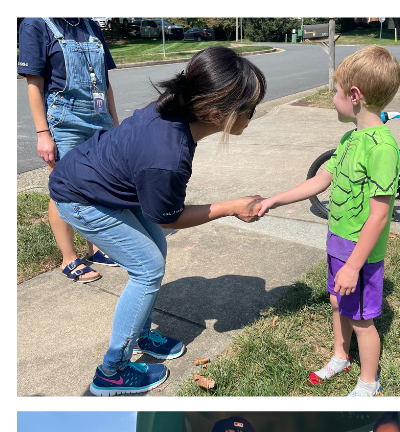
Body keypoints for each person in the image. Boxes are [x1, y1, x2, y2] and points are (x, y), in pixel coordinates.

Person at [48, 46, 267, 395]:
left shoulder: (176, 110)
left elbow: (160, 214)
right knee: (148, 268)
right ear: (215, 113)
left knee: (155, 251)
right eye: (249, 109)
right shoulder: (167, 155)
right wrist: (231, 206)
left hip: (110, 185)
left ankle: (139, 335)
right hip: (81, 197)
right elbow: (170, 217)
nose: (253, 114)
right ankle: (112, 371)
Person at [255, 46, 400, 396]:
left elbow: (379, 215)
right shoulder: (351, 138)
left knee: (362, 319)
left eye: (335, 92)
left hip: (360, 253)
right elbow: (323, 178)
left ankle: (369, 381)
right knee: (338, 301)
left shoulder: (382, 148)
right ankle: (340, 355)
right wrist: (275, 199)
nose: (333, 99)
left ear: (354, 96)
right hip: (338, 239)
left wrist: (354, 265)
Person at [18, 17, 120, 283]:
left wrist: (116, 125)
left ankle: (96, 248)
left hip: (100, 119)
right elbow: (34, 84)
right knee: (64, 189)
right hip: (65, 122)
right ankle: (69, 258)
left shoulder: (90, 25)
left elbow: (105, 82)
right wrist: (43, 134)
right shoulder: (36, 24)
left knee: (99, 185)